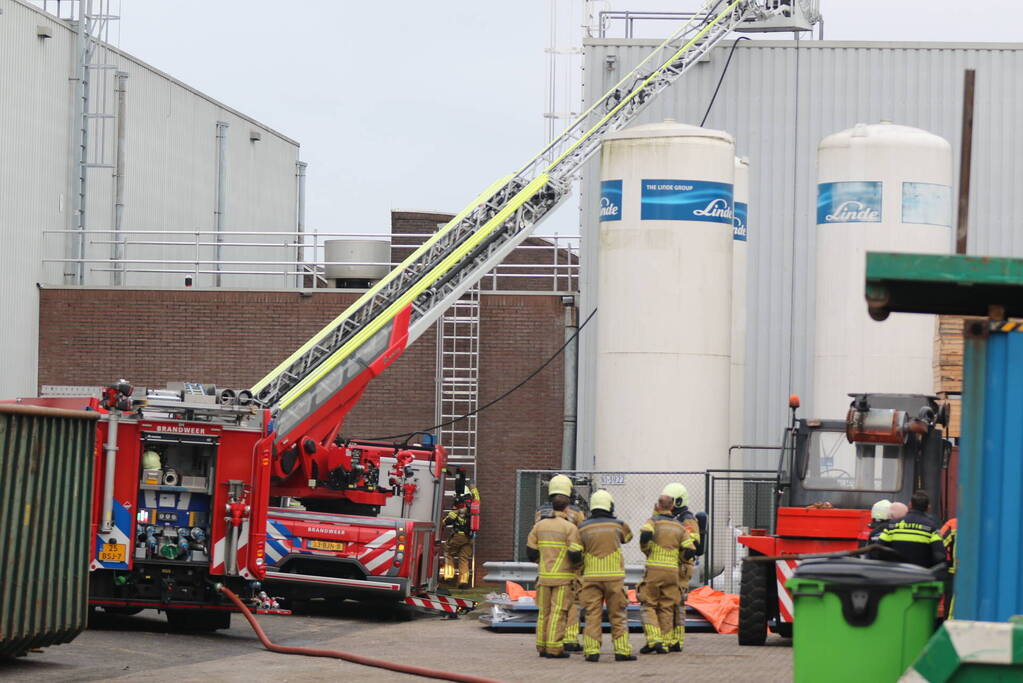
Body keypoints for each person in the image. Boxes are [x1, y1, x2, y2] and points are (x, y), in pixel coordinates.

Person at [578, 489, 635, 662]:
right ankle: (622, 651)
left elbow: (575, 551)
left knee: (592, 614)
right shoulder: (619, 525)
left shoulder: (582, 527)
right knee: (618, 614)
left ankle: (592, 651)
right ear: (610, 505)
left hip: (591, 576)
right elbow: (629, 537)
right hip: (614, 577)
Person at [526, 489, 583, 658]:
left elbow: (531, 552)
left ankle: (541, 646)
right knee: (558, 613)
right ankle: (554, 648)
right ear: (566, 509)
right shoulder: (570, 528)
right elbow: (575, 554)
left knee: (544, 613)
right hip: (563, 579)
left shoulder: (539, 526)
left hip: (543, 577)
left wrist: (543, 563)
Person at [637, 489, 696, 655]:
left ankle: (654, 639)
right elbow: (690, 549)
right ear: (672, 507)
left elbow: (646, 533)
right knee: (667, 607)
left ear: (657, 506)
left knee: (648, 604)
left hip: (655, 569)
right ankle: (665, 643)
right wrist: (680, 558)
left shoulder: (653, 521)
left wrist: (647, 549)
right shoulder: (679, 525)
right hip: (672, 571)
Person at [662, 482, 702, 652]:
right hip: (670, 566)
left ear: (678, 501)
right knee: (667, 603)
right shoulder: (672, 518)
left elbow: (692, 544)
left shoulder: (687, 519)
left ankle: (676, 640)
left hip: (681, 567)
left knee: (677, 604)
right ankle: (668, 638)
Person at [877, 490, 945, 568]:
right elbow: (940, 555)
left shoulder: (892, 525)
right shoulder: (931, 527)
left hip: (896, 575)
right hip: (921, 575)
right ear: (928, 508)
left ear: (910, 505)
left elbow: (878, 549)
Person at [444, 506, 473, 588]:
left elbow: (447, 521)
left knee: (448, 553)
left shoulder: (457, 510)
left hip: (458, 537)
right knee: (463, 558)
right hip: (469, 538)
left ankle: (449, 576)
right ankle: (463, 582)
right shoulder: (472, 511)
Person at [940, 517, 958, 618]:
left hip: (955, 572)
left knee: (951, 606)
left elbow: (939, 545)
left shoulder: (953, 523)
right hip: (982, 573)